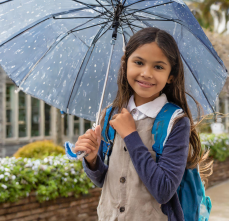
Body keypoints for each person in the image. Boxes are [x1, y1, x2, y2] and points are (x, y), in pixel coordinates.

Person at [72, 27, 212, 221]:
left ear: (171, 76)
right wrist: (93, 159)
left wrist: (131, 135)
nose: (146, 73)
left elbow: (163, 190)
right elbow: (104, 180)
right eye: (138, 62)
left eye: (159, 67)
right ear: (125, 65)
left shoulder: (176, 122)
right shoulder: (110, 115)